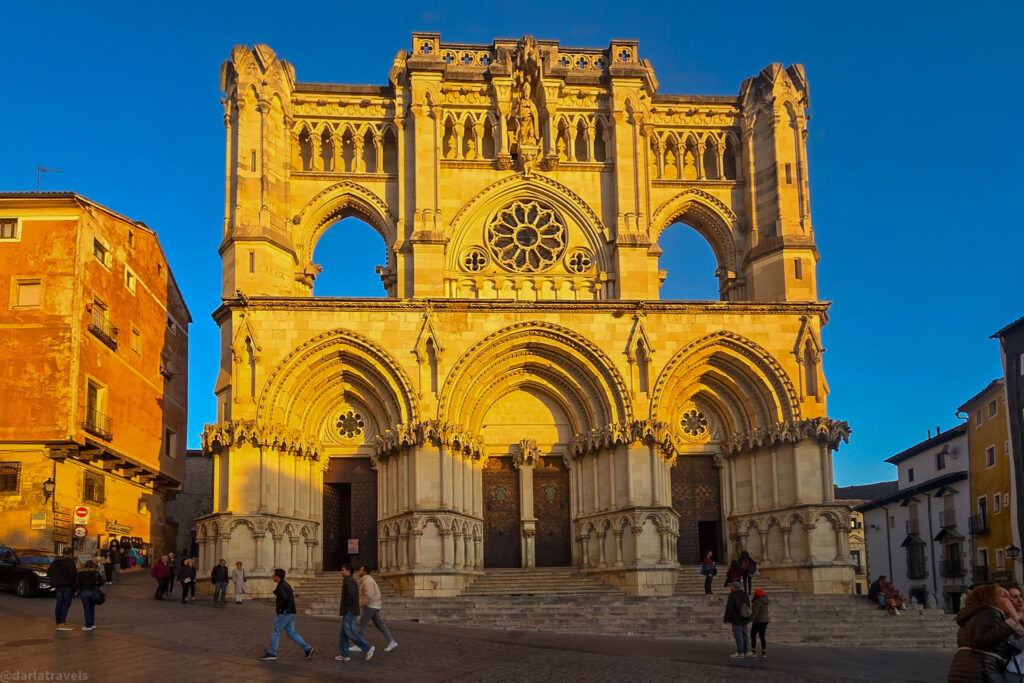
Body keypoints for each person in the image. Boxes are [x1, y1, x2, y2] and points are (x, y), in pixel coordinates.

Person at [948, 583, 1024, 682]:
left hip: (967, 669)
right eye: (1004, 596)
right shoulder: (991, 612)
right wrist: (1011, 624)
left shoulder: (978, 614)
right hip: (978, 671)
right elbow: (981, 640)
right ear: (991, 599)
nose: (1009, 600)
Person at [259, 569, 314, 661]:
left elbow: (284, 598)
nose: (273, 576)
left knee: (275, 631)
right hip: (291, 612)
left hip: (285, 613)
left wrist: (280, 609)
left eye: (274, 575)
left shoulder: (281, 586)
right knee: (291, 633)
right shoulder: (287, 584)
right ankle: (307, 649)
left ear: (278, 576)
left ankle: (272, 653)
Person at [352, 566, 398, 652]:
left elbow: (370, 595)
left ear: (364, 572)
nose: (359, 571)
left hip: (370, 606)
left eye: (361, 570)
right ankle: (392, 641)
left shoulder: (367, 581)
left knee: (362, 625)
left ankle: (359, 645)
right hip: (374, 605)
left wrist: (363, 604)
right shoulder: (368, 580)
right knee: (380, 624)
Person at [335, 564, 374, 662]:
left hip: (350, 611)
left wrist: (346, 606)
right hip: (348, 610)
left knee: (350, 632)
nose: (341, 571)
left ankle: (368, 648)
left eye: (343, 570)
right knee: (343, 634)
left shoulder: (349, 581)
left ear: (348, 571)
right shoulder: (349, 581)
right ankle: (344, 655)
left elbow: (351, 595)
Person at [48, 548, 78, 631]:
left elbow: (48, 572)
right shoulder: (69, 562)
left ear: (62, 553)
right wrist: (75, 588)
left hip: (58, 586)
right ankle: (61, 623)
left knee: (59, 604)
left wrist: (55, 580)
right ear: (70, 553)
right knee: (65, 604)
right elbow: (73, 575)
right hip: (67, 586)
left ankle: (58, 623)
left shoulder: (55, 562)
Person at [723, 580, 752, 658]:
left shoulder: (733, 595)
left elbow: (729, 607)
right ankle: (746, 651)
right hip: (744, 617)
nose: (729, 587)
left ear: (734, 587)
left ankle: (740, 652)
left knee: (738, 635)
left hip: (736, 618)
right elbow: (748, 606)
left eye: (730, 585)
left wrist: (726, 618)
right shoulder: (745, 594)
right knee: (745, 634)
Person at [76, 559, 104, 631]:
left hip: (84, 592)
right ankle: (92, 623)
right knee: (92, 608)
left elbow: (77, 583)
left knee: (86, 609)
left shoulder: (80, 573)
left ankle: (88, 625)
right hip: (93, 591)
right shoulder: (96, 573)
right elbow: (101, 582)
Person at [1005, 584, 1024, 675]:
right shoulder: (1007, 621)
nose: (1020, 600)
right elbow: (1019, 645)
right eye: (1015, 597)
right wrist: (1017, 618)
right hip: (1016, 671)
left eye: (1020, 596)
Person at [750, 588, 771, 657]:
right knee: (762, 636)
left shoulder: (757, 602)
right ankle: (763, 653)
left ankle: (753, 651)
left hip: (758, 621)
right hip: (765, 620)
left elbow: (755, 613)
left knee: (753, 635)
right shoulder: (766, 600)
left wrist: (749, 619)